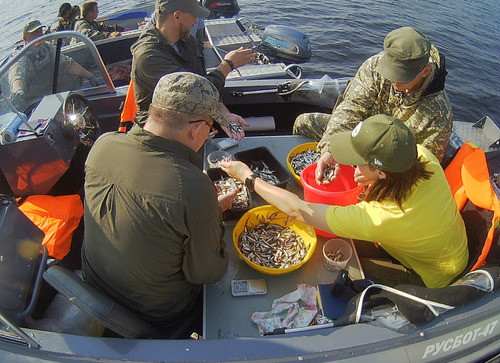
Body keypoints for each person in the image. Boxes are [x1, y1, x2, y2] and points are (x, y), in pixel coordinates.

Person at [221, 114, 468, 288]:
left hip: (431, 276)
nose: (352, 164)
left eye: (356, 159)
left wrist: (248, 177)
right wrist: (368, 175)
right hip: (436, 243)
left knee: (346, 276)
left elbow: (298, 210)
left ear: (382, 172)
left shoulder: (380, 218)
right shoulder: (422, 157)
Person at [82, 72, 237, 336]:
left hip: (96, 288)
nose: (208, 134)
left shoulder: (102, 144)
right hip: (158, 312)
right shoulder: (193, 186)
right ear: (197, 129)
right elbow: (207, 273)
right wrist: (213, 215)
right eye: (211, 128)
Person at [293, 27, 453, 182]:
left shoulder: (438, 114)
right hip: (359, 138)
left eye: (401, 77)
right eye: (390, 72)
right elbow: (350, 110)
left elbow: (423, 167)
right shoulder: (375, 66)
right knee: (303, 122)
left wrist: (378, 174)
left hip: (390, 166)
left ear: (425, 71)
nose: (393, 81)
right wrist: (330, 149)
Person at [131, 0, 257, 138]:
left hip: (188, 124)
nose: (196, 21)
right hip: (158, 133)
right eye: (193, 15)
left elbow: (203, 82)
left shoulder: (187, 41)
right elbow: (193, 93)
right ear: (177, 16)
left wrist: (224, 116)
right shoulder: (149, 57)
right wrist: (227, 65)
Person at [8, 20, 100, 112]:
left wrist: (89, 76)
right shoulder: (21, 57)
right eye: (35, 32)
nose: (40, 34)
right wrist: (19, 92)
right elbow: (16, 76)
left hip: (54, 93)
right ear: (25, 38)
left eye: (40, 30)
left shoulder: (47, 48)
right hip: (35, 102)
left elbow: (67, 64)